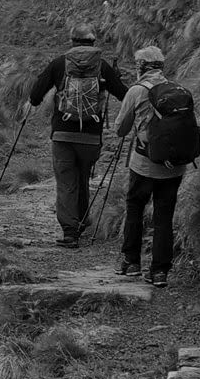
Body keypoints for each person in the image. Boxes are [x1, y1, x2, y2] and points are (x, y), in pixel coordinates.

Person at [21, 27, 128, 247]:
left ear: (72, 41)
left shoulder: (59, 63)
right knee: (82, 178)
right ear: (93, 42)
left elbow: (35, 94)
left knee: (66, 181)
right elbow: (123, 94)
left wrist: (32, 104)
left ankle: (70, 232)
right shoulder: (102, 66)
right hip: (91, 135)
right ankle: (81, 220)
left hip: (62, 133)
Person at [114, 46, 190, 286]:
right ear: (161, 67)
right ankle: (159, 272)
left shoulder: (137, 91)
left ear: (140, 67)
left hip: (143, 165)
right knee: (163, 216)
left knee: (135, 207)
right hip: (173, 167)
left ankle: (132, 261)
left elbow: (120, 129)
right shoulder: (178, 91)